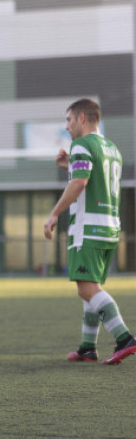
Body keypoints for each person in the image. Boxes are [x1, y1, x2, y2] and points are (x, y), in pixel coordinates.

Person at [43, 98, 136, 365]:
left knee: (87, 289)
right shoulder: (111, 148)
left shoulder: (81, 144)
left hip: (88, 227)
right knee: (91, 287)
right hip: (110, 226)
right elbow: (94, 178)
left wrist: (54, 213)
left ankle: (124, 338)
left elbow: (80, 183)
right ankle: (87, 348)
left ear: (82, 118)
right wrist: (69, 166)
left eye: (69, 120)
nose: (67, 126)